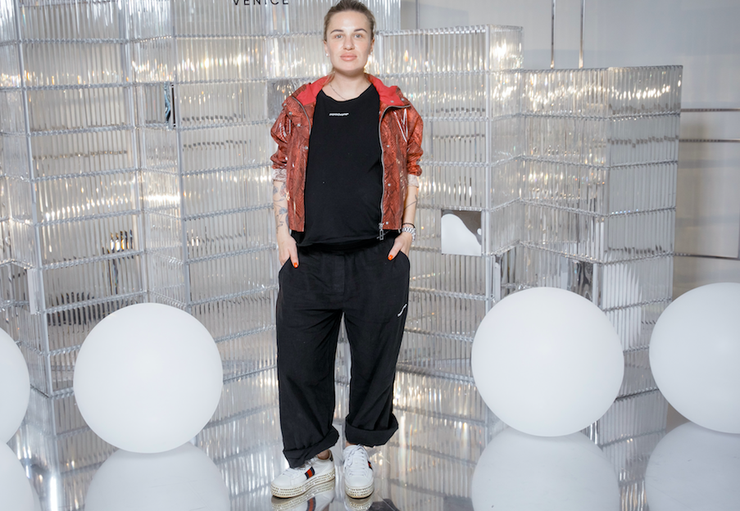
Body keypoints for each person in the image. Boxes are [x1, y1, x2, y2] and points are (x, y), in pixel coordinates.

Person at [268, 0, 423, 502]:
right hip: (306, 258)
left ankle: (359, 449)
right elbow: (280, 169)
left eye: (358, 34)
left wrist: (408, 230)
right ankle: (313, 461)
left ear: (371, 43)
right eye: (339, 34)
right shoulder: (299, 106)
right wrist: (282, 233)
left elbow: (413, 170)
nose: (348, 44)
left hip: (377, 258)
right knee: (299, 363)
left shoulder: (395, 108)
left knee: (375, 360)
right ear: (326, 43)